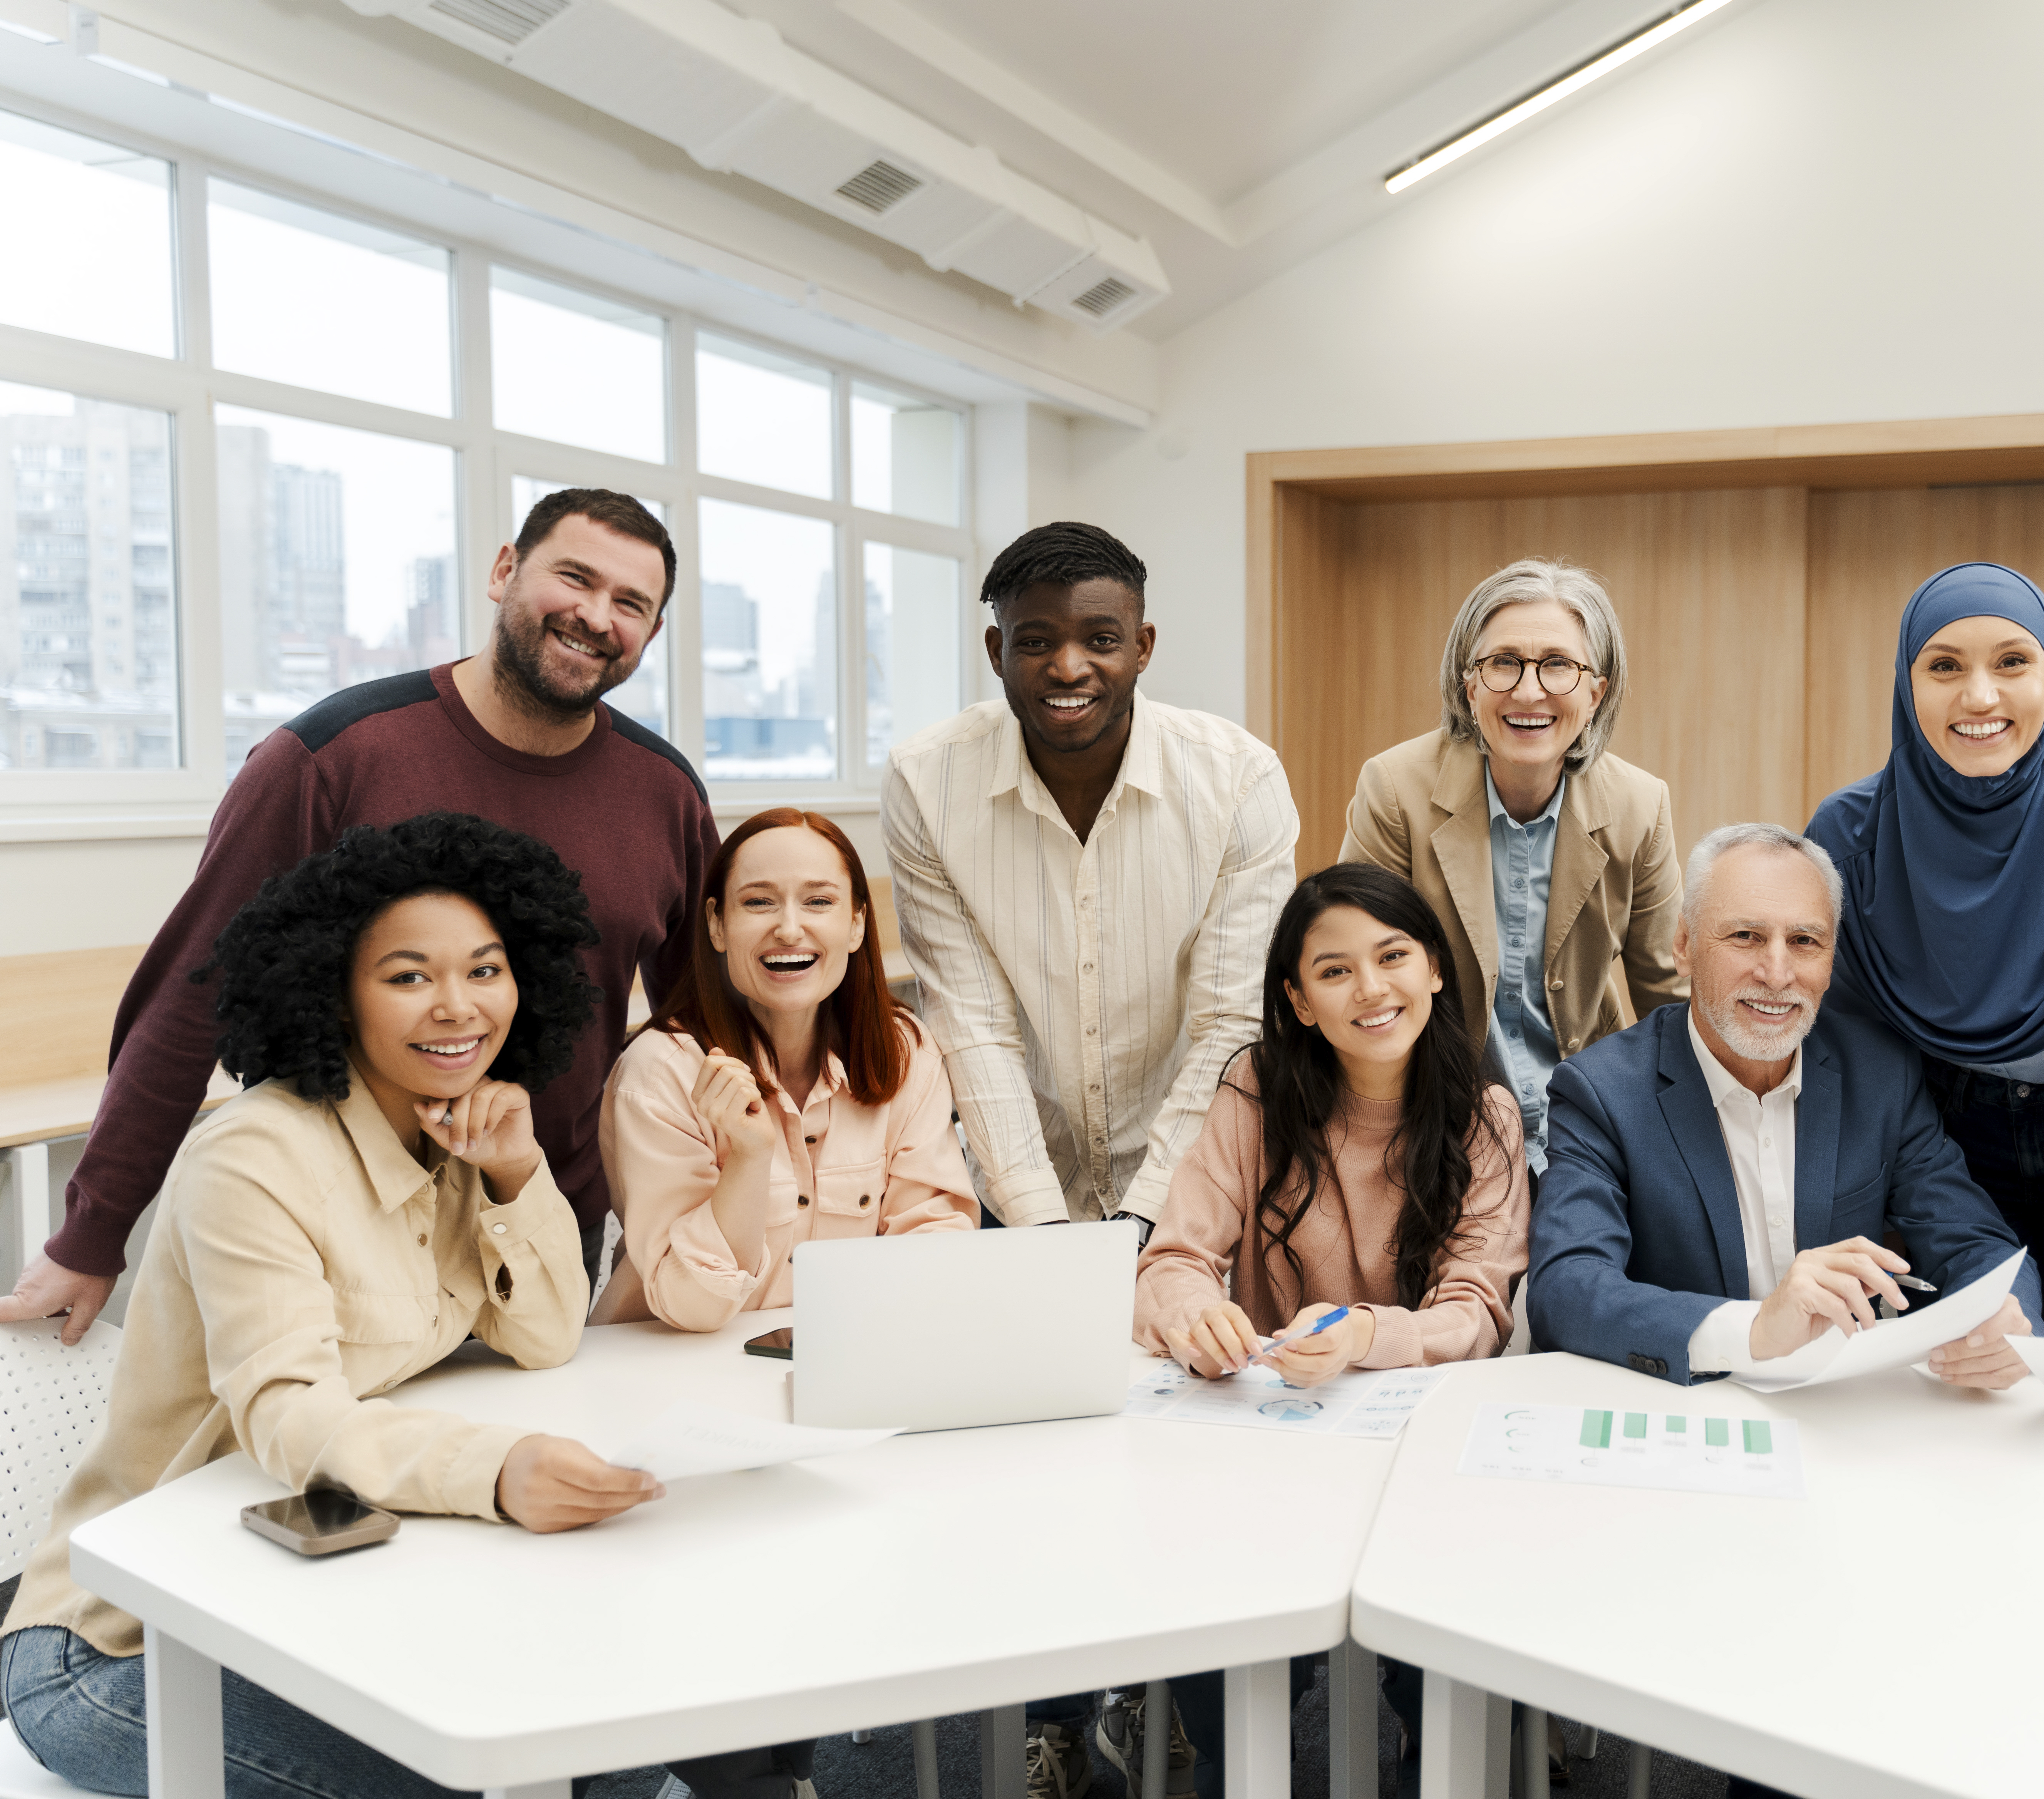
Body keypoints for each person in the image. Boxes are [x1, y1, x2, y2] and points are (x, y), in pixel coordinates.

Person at [0, 815, 663, 1799]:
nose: (458, 1007)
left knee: (606, 1753)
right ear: (335, 991)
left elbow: (546, 1334)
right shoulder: (257, 1157)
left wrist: (518, 1172)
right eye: (407, 976)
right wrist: (495, 1467)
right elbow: (291, 1411)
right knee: (530, 1778)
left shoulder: (460, 1130)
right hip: (124, 1650)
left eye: (486, 969)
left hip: (312, 1589)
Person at [0, 488, 719, 1339]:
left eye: (630, 603)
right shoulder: (332, 756)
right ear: (503, 571)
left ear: (651, 633)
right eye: (575, 577)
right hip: (340, 1225)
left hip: (544, 1221)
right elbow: (190, 997)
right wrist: (92, 1231)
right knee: (332, 1461)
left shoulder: (664, 793)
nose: (596, 616)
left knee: (526, 1460)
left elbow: (702, 1024)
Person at [880, 521, 1298, 1799]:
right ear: (993, 647)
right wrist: (1057, 1236)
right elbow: (968, 1018)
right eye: (1038, 640)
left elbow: (1233, 1017)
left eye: (1098, 638)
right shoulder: (925, 778)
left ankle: (1167, 1688)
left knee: (1187, 1446)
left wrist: (1137, 1225)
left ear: (1143, 646)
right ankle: (1055, 1712)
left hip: (1198, 1164)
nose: (1069, 664)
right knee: (1034, 1461)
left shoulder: (1235, 778)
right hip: (1021, 1172)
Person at [1131, 862, 1527, 1799]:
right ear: (1299, 1000)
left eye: (1393, 956)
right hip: (1274, 1436)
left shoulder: (1487, 1117)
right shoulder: (1257, 1088)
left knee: (1449, 1669)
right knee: (1228, 1669)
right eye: (1336, 970)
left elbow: (1475, 1316)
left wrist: (1362, 1336)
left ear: (1435, 968)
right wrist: (1198, 1320)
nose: (1372, 988)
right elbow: (1173, 1260)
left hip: (1426, 1444)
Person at [1804, 562, 2044, 1338]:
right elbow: (1850, 1064)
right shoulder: (1847, 841)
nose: (1980, 696)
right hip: (1930, 1144)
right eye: (1944, 666)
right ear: (1905, 682)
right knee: (1959, 1395)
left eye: (2013, 662)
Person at [1529, 823, 2038, 1402]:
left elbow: (1976, 1242)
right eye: (1745, 936)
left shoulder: (1881, 1075)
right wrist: (1754, 1329)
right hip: (1683, 1410)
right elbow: (1566, 1290)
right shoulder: (1601, 1091)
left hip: (1843, 1414)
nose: (1777, 974)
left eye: (1804, 941)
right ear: (1685, 946)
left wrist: (2005, 1315)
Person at [1340, 558, 1684, 1176]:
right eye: (1504, 663)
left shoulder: (1640, 805)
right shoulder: (1394, 789)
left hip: (1591, 1122)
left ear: (1595, 691)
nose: (1530, 692)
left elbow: (1670, 996)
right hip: (1437, 1121)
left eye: (1558, 665)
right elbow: (1362, 977)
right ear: (1470, 685)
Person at [594, 807, 977, 1334]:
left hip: (844, 1353)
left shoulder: (904, 1051)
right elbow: (692, 1305)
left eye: (819, 901)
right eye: (758, 903)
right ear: (717, 925)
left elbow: (933, 1243)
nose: (789, 929)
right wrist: (749, 1157)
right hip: (670, 1365)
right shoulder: (661, 1072)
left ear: (857, 924)